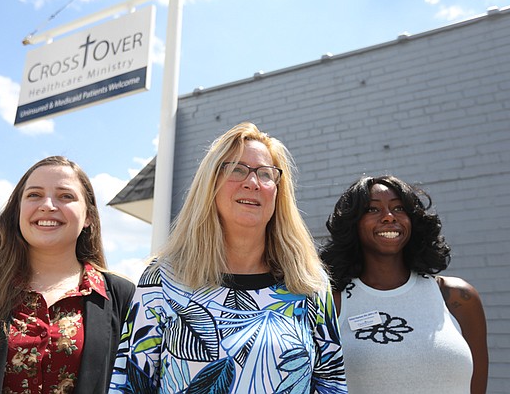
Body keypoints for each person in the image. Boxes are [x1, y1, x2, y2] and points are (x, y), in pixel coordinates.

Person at [109, 122, 348, 393]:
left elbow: (332, 384)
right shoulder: (164, 278)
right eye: (237, 169)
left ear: (279, 192)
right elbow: (128, 384)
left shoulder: (309, 284)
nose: (252, 182)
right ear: (210, 185)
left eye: (266, 174)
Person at [0, 156, 136, 394]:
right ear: (17, 211)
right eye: (34, 195)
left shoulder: (122, 297)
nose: (48, 205)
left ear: (88, 217)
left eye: (65, 196)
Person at [320, 175, 488, 394]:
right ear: (353, 224)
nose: (389, 217)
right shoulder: (332, 302)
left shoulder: (458, 298)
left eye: (399, 209)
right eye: (372, 209)